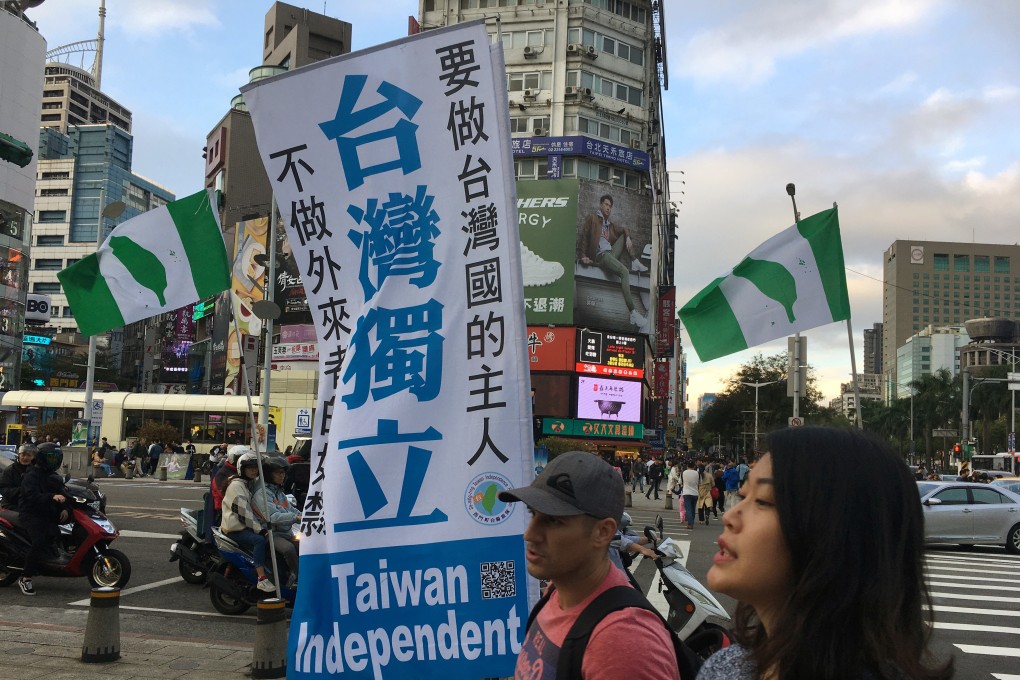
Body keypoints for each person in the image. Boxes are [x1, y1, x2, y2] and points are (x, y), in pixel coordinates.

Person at [698, 427, 954, 680]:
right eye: (742, 496)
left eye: (763, 501)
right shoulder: (724, 669)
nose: (730, 516)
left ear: (836, 533)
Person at [497, 452, 680, 679]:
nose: (529, 534)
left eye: (554, 520)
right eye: (533, 514)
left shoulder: (622, 645)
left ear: (602, 532)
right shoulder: (558, 590)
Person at [579, 194, 648, 330]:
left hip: (611, 254)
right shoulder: (593, 219)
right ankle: (633, 312)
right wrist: (583, 256)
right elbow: (585, 238)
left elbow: (623, 230)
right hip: (602, 256)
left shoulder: (609, 225)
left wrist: (627, 237)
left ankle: (634, 260)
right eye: (606, 205)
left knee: (623, 235)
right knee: (624, 272)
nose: (608, 208)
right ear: (600, 205)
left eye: (610, 206)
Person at [16, 443, 72, 595]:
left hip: (46, 513)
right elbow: (30, 496)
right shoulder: (31, 475)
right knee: (39, 542)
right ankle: (25, 577)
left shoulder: (53, 476)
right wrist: (51, 497)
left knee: (57, 534)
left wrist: (66, 508)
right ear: (42, 458)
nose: (54, 461)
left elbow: (64, 494)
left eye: (56, 458)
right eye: (51, 458)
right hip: (31, 513)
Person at [220, 452, 276, 592]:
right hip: (235, 529)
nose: (253, 470)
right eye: (250, 468)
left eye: (255, 468)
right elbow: (244, 513)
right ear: (241, 469)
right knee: (259, 540)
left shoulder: (246, 484)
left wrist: (267, 521)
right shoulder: (236, 486)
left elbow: (253, 507)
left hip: (242, 526)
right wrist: (260, 529)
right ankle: (262, 579)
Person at [254, 456, 301, 589]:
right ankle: (297, 577)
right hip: (271, 533)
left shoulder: (278, 490)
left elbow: (290, 508)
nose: (282, 476)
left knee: (305, 546)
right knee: (289, 549)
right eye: (278, 473)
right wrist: (295, 518)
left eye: (283, 473)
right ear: (269, 475)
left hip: (285, 531)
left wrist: (304, 515)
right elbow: (273, 517)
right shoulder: (262, 493)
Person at [0, 444, 36, 509]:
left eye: (29, 455)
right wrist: (22, 490)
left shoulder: (35, 470)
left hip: (29, 506)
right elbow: (3, 489)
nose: (25, 458)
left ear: (33, 457)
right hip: (11, 505)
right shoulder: (9, 470)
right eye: (23, 455)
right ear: (19, 455)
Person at [680, 460, 700, 530]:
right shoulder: (697, 473)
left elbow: (681, 482)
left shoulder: (684, 472)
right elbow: (699, 482)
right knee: (693, 508)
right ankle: (691, 522)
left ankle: (690, 523)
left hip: (686, 492)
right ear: (694, 466)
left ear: (687, 466)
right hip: (695, 492)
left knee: (688, 508)